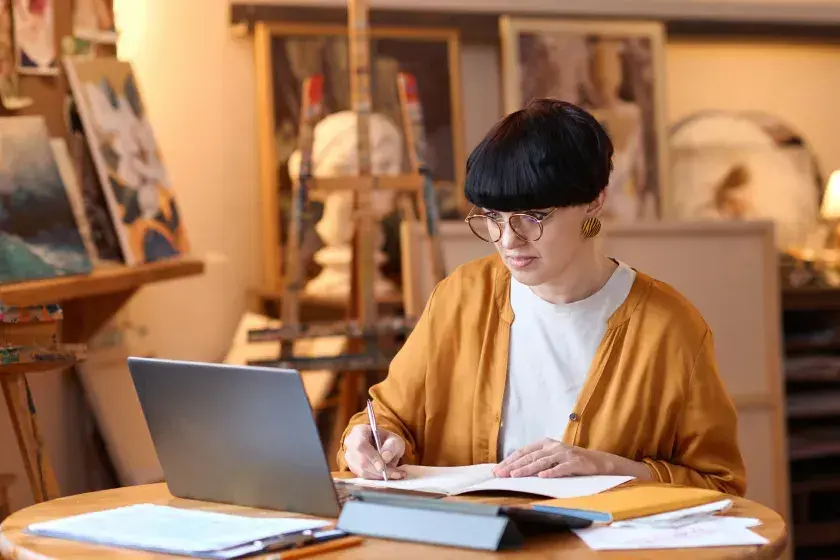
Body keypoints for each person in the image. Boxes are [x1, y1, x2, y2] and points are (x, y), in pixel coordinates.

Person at [338, 98, 746, 496]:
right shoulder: (461, 298)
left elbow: (720, 486)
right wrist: (371, 442)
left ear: (594, 201)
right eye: (493, 218)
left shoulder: (671, 328)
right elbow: (389, 416)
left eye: (533, 217)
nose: (508, 240)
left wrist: (606, 466)